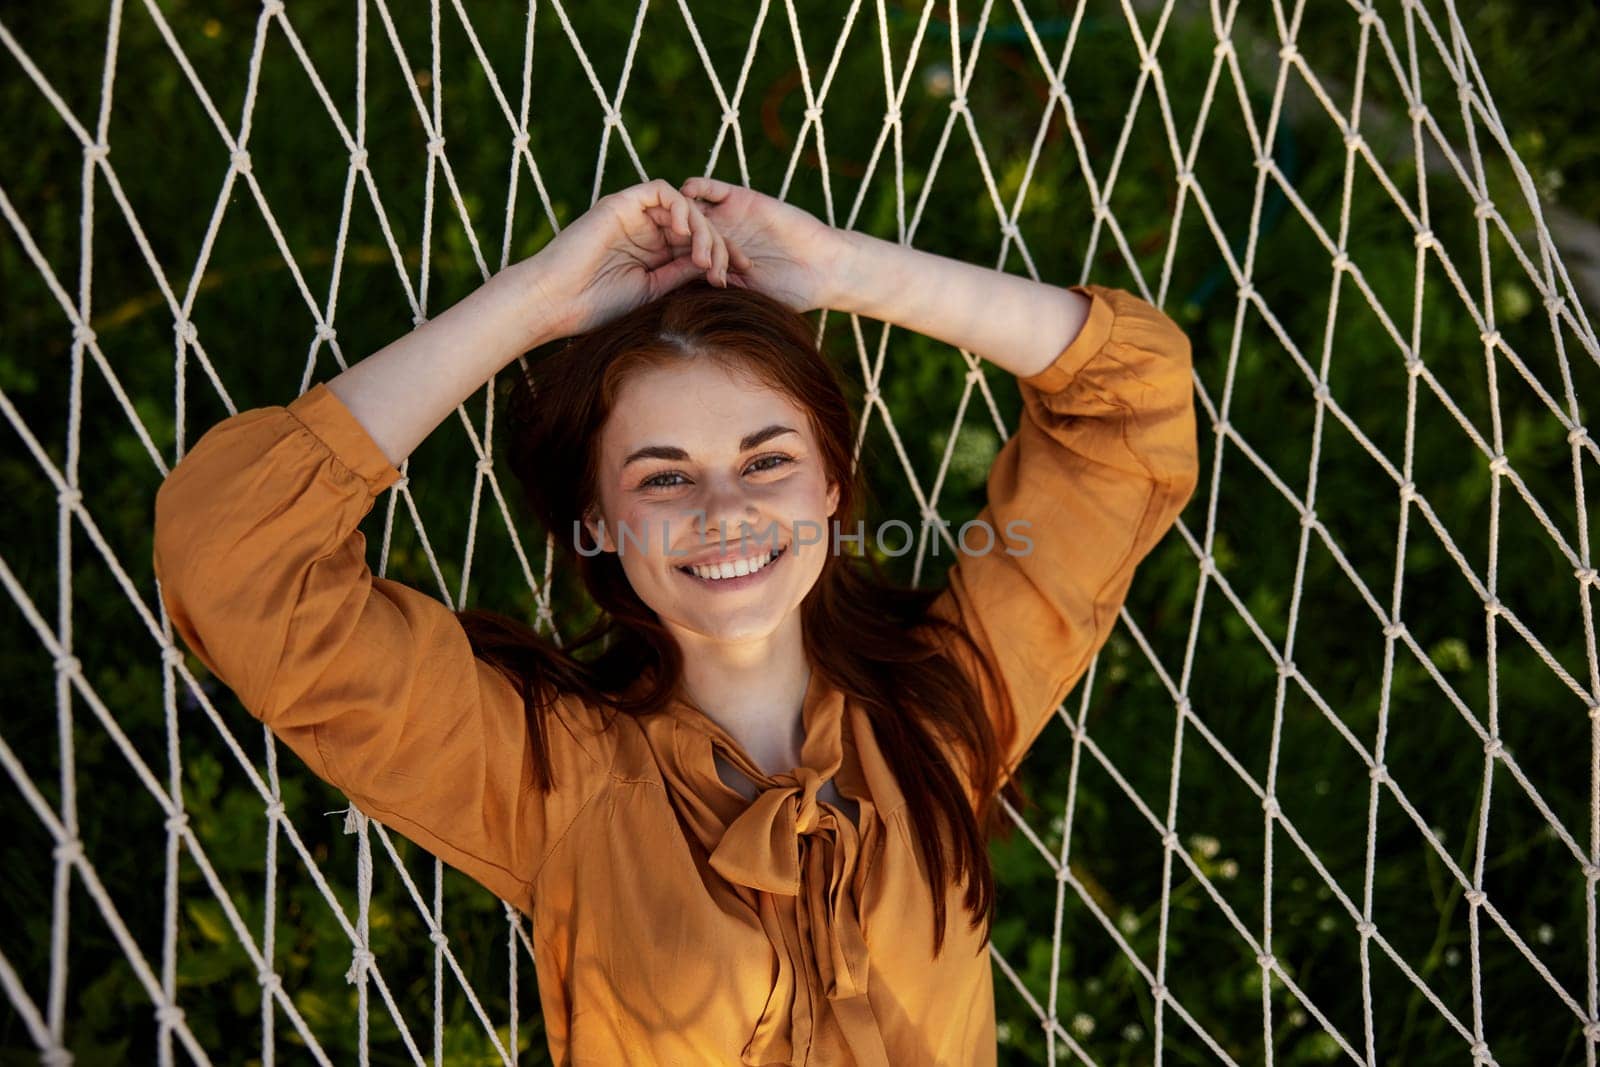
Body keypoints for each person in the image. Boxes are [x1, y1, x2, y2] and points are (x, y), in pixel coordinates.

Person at [153, 176, 1199, 1065]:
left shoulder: (943, 704)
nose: (725, 513)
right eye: (664, 479)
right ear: (598, 521)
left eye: (766, 460)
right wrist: (534, 302)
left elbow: (1130, 401)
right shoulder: (544, 777)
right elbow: (238, 556)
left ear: (831, 484)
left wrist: (845, 271)